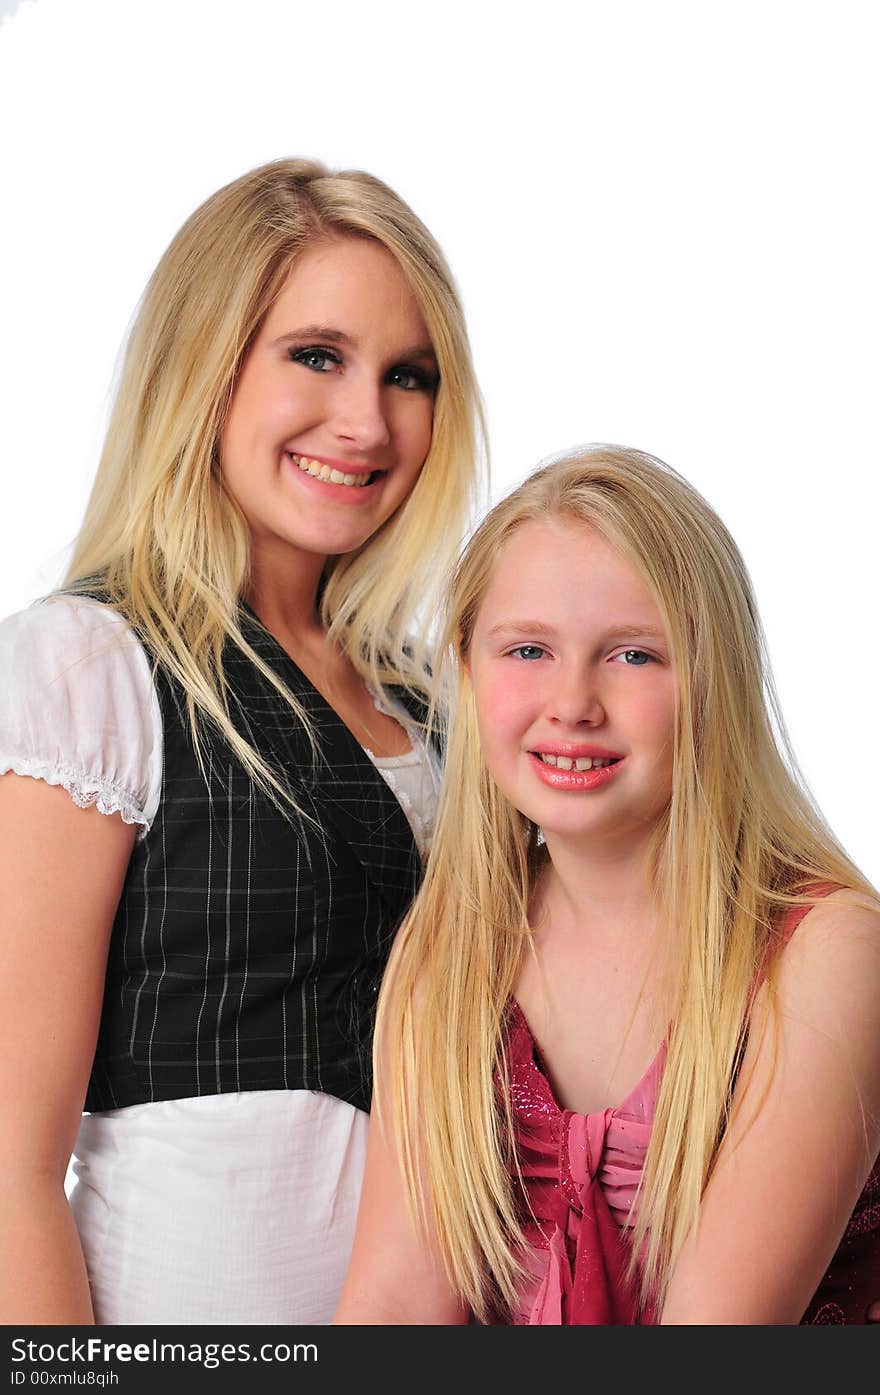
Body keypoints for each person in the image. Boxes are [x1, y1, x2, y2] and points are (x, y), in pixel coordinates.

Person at [0, 157, 485, 1324]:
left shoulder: (443, 702)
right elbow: (9, 1163)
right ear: (204, 365)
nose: (366, 421)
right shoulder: (90, 666)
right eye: (315, 355)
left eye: (408, 375)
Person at [335, 444, 880, 1325]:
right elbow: (393, 1305)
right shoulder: (450, 954)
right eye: (527, 649)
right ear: (466, 671)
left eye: (633, 656)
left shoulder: (827, 952)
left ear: (714, 680)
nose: (573, 701)